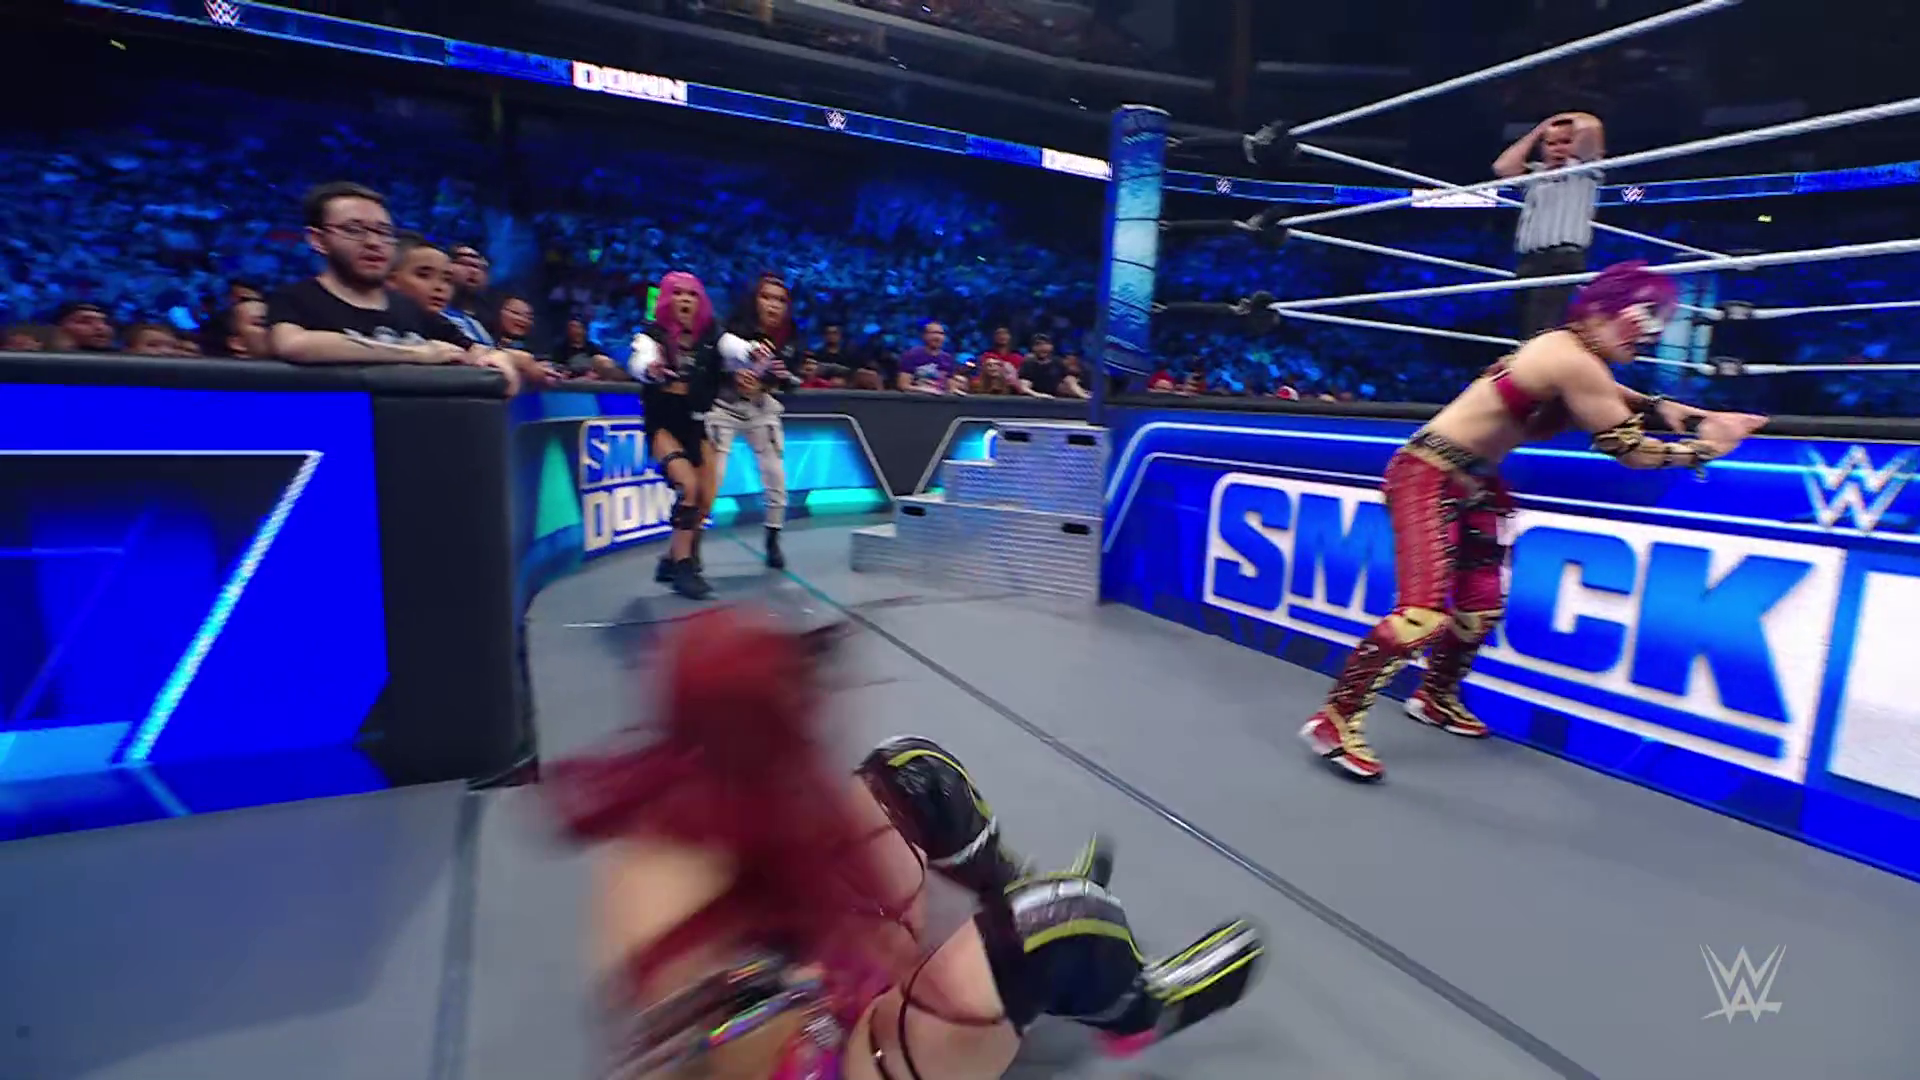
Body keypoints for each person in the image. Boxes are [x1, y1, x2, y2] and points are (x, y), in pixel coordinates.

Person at [549, 606, 1266, 1080]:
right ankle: (1142, 1011)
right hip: (825, 1062)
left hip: (825, 1004)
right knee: (1060, 925)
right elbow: (736, 1048)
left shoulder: (725, 802)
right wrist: (843, 974)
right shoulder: (665, 884)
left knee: (909, 774)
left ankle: (1014, 895)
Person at [1300, 262, 1768, 782]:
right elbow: (1631, 451)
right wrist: (1706, 448)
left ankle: (1435, 695)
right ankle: (1334, 720)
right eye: (1646, 317)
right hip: (1428, 474)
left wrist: (1684, 412)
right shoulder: (1570, 359)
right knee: (1421, 615)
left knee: (1480, 606)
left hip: (1477, 481)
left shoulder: (1574, 354)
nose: (1653, 333)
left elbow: (1624, 399)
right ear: (1603, 310)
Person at [265, 183, 521, 392]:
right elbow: (293, 344)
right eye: (353, 230)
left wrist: (496, 360)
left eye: (384, 232)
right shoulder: (296, 297)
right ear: (318, 239)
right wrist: (415, 353)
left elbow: (475, 349)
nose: (373, 242)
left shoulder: (410, 308)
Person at [629, 271, 727, 601]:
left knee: (706, 498)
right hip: (664, 421)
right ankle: (684, 565)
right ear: (668, 299)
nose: (686, 300)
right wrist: (650, 369)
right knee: (688, 485)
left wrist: (755, 360)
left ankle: (672, 559)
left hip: (695, 421)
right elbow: (639, 357)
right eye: (679, 293)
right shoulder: (652, 336)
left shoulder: (711, 338)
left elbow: (735, 351)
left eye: (693, 294)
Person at [708, 274, 803, 570]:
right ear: (754, 300)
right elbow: (708, 365)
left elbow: (791, 379)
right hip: (723, 404)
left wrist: (769, 383)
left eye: (780, 300)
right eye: (767, 297)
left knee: (776, 474)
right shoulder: (733, 327)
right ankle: (690, 544)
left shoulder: (791, 336)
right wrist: (734, 376)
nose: (773, 305)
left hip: (761, 406)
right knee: (712, 475)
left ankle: (773, 539)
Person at [1494, 112, 1605, 339]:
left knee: (1542, 328)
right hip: (1528, 261)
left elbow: (1592, 127)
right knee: (1523, 326)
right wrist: (1540, 129)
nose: (1557, 148)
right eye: (1551, 143)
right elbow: (1502, 167)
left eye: (1565, 141)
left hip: (1561, 259)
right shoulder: (1535, 172)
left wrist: (1562, 117)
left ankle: (1538, 361)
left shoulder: (1584, 170)